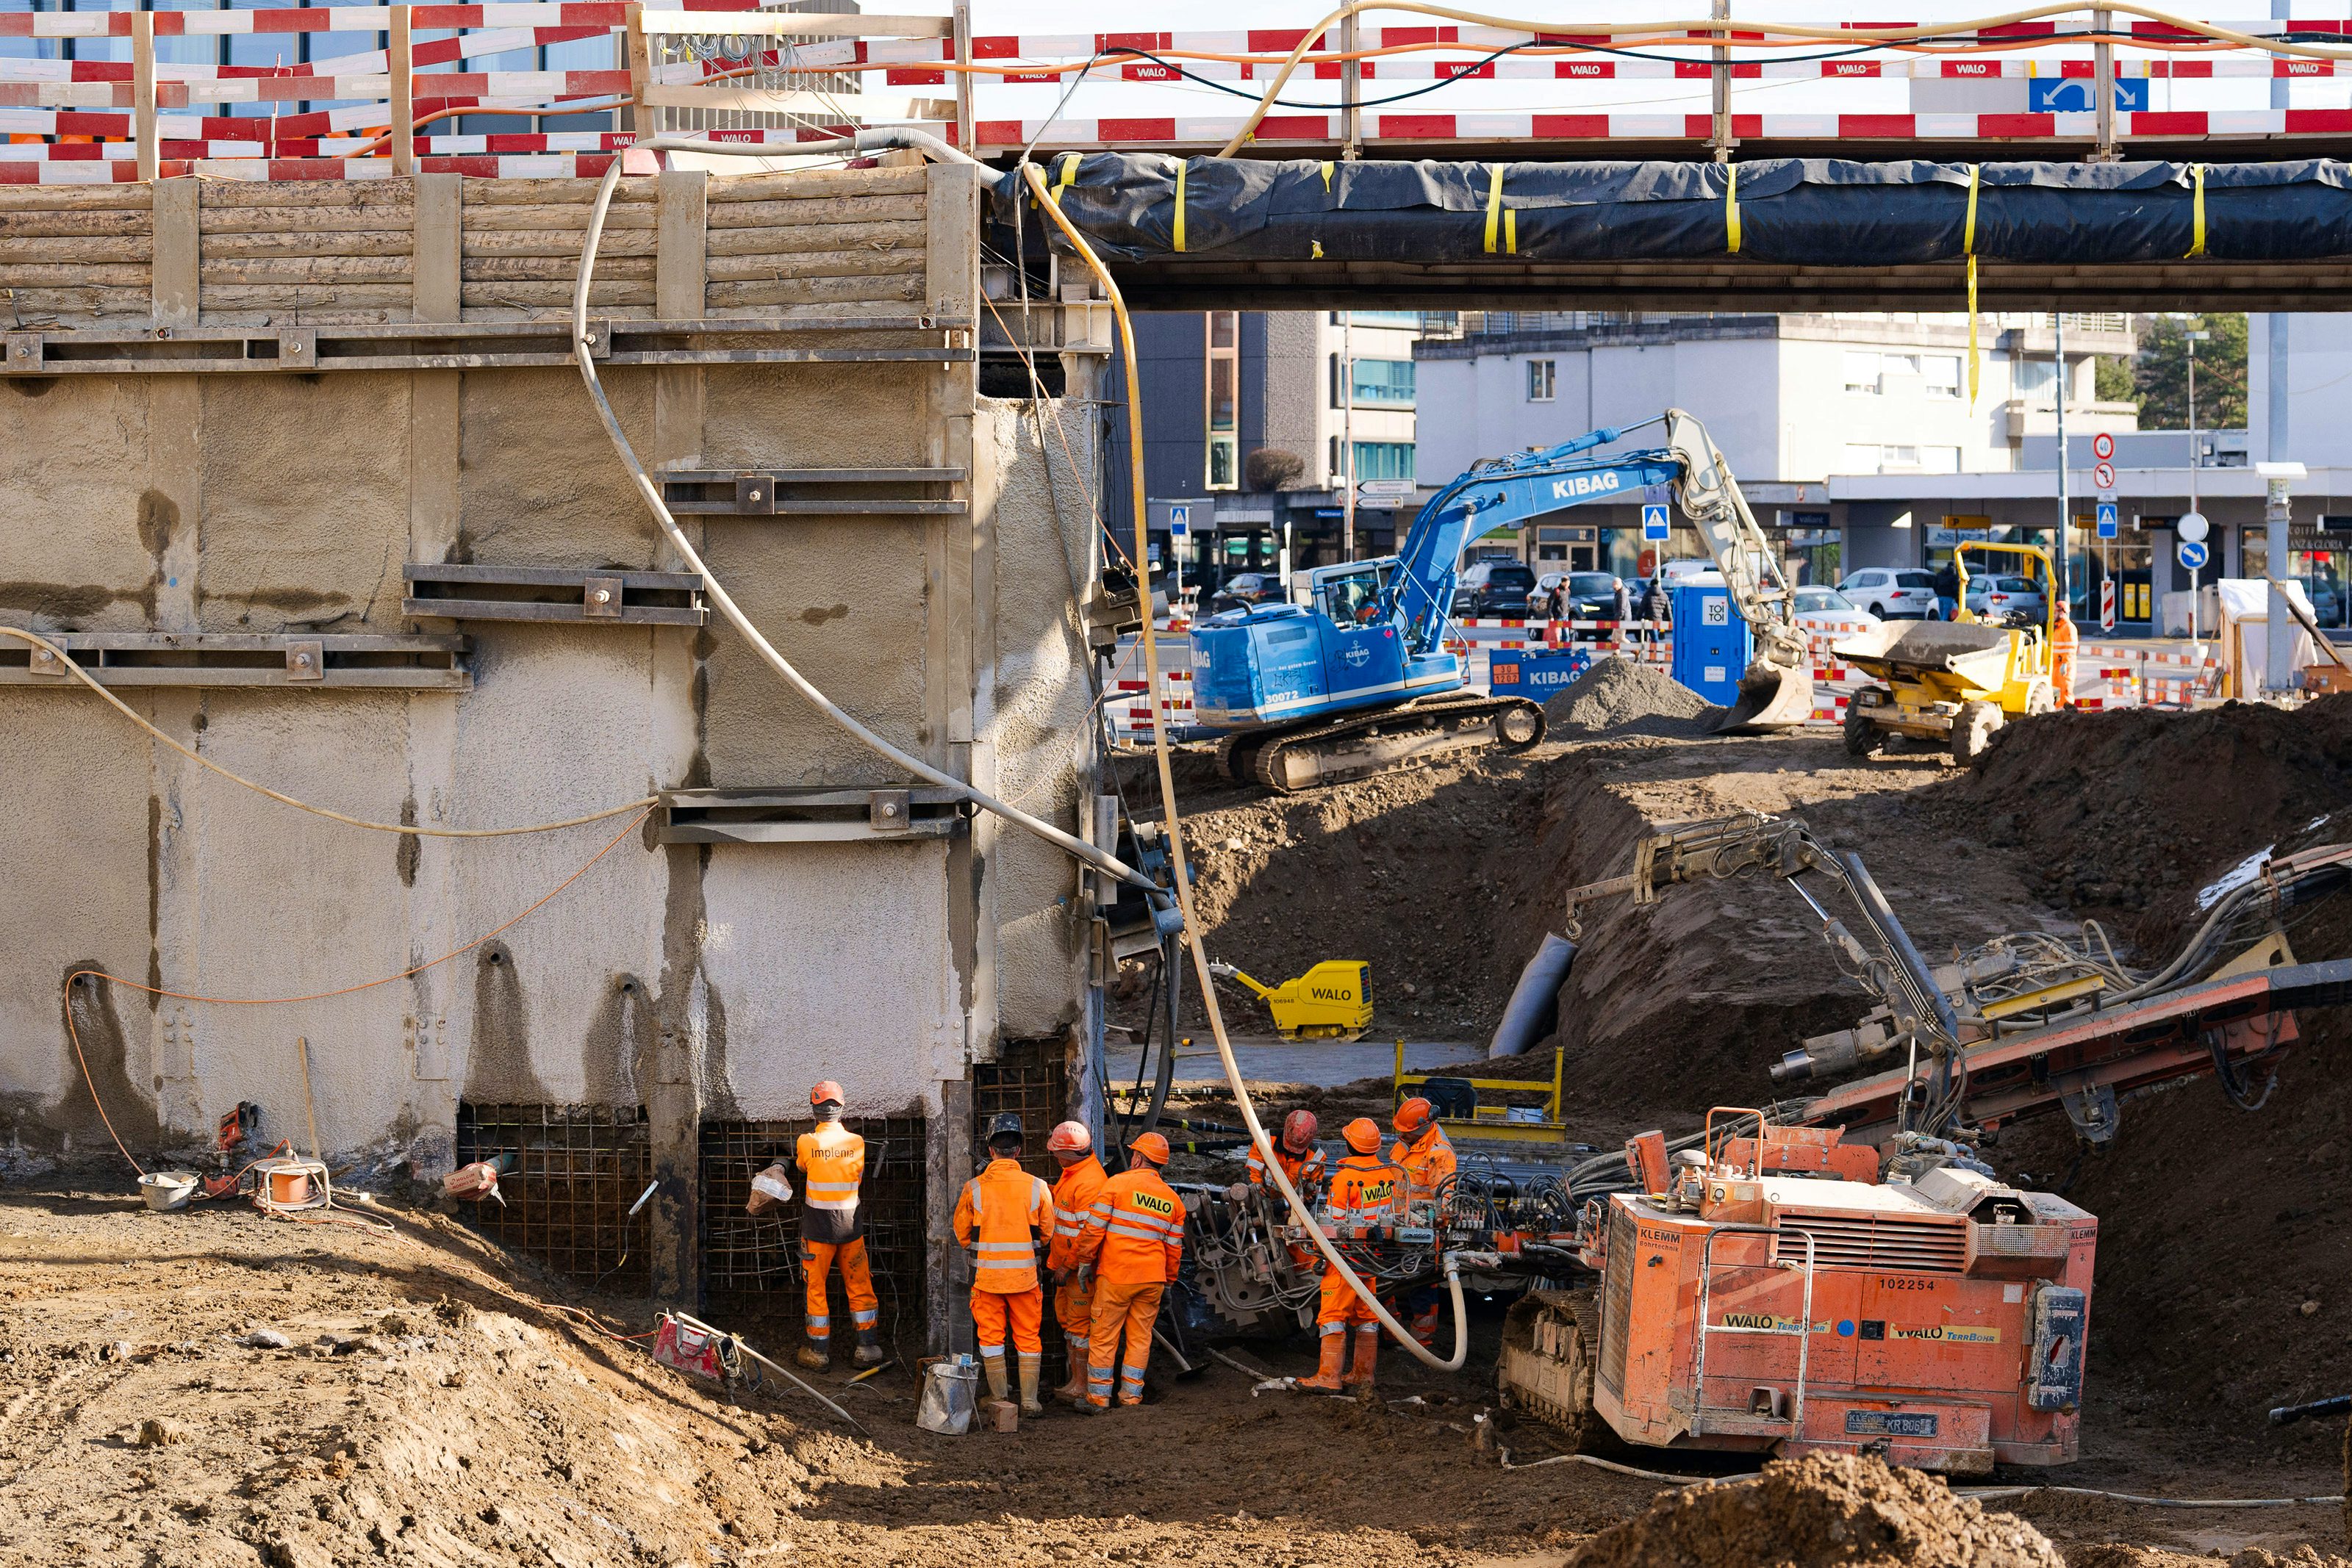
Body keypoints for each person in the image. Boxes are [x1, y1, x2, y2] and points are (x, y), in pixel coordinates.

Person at [953, 1112, 1056, 1415]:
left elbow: (961, 1234)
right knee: (1028, 1337)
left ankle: (1000, 1400)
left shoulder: (974, 1188)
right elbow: (1048, 1233)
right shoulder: (1038, 1187)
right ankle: (1029, 1401)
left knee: (991, 1338)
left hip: (987, 1281)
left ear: (990, 1150)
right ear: (1019, 1151)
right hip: (1025, 1279)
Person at [1075, 1130, 1185, 1411]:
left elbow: (1093, 1230)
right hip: (1152, 1282)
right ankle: (1131, 1398)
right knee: (1140, 1340)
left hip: (1117, 1277)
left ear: (1137, 1158)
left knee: (1104, 1337)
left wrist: (1085, 1262)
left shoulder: (1116, 1186)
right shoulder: (1174, 1202)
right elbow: (1174, 1252)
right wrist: (1169, 1284)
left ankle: (1099, 1398)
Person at [1299, 1118, 1400, 1392]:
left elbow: (1334, 1227)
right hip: (1370, 1259)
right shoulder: (1387, 1174)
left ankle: (1329, 1377)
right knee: (1367, 1316)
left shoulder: (1345, 1178)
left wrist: (1318, 1253)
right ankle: (1363, 1376)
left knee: (1332, 1314)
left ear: (1349, 1144)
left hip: (1345, 1259)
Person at [795, 1081, 884, 1370]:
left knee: (816, 1288)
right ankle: (867, 1349)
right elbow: (857, 1179)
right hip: (850, 1229)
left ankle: (817, 1352)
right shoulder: (856, 1143)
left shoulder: (807, 1142)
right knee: (860, 1285)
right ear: (841, 1107)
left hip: (818, 1230)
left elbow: (802, 1166)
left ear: (814, 1110)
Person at [1044, 1120, 1108, 1405]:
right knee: (1069, 1323)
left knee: (1080, 1328)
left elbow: (1086, 1235)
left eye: (1058, 1153)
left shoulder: (1090, 1183)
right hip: (1064, 1268)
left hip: (1078, 1272)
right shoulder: (1074, 1174)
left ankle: (1082, 1385)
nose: (1055, 1157)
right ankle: (1075, 1382)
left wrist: (1068, 1266)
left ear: (1070, 1154)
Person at [1389, 1098, 1458, 1347]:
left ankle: (1421, 1341)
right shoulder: (1405, 1143)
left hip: (1421, 1229)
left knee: (1423, 1283)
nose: (1400, 1134)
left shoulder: (1439, 1152)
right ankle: (1391, 1331)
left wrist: (1434, 1221)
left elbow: (1444, 1196)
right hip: (1396, 1221)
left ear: (1422, 1127)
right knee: (1383, 1278)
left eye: (1405, 1131)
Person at [2051, 597, 2079, 711]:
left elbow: (2071, 649)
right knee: (2056, 694)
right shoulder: (2058, 628)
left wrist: (2065, 664)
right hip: (2057, 666)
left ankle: (2069, 714)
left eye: (2056, 612)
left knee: (2066, 691)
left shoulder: (2069, 628)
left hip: (2065, 666)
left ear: (2062, 612)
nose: (2054, 615)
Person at [1934, 558, 1960, 623]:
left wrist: (1938, 593)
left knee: (1942, 612)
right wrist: (1956, 596)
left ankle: (1941, 625)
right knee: (1946, 613)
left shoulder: (1940, 574)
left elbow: (1934, 585)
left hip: (1940, 596)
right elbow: (1955, 587)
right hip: (1948, 596)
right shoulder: (1953, 576)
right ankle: (1944, 627)